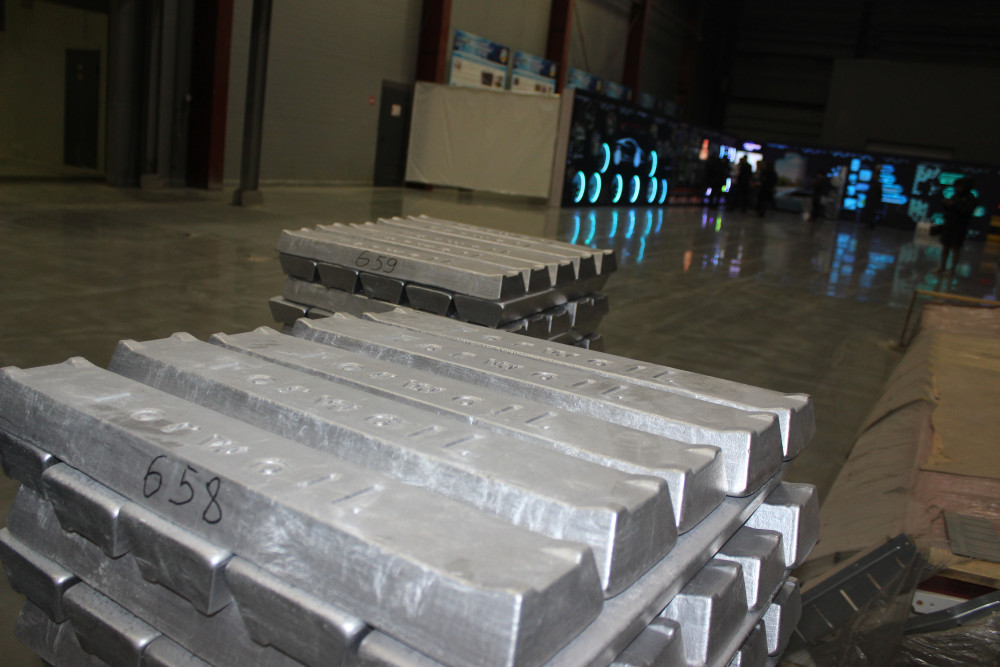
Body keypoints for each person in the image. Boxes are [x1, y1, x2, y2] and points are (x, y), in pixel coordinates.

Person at [938, 177, 977, 275]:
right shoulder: (956, 196)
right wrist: (947, 205)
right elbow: (949, 209)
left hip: (960, 227)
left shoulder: (971, 198)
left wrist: (954, 205)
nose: (958, 188)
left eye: (960, 186)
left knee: (956, 247)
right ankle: (942, 267)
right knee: (946, 247)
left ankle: (952, 269)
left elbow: (966, 211)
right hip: (949, 225)